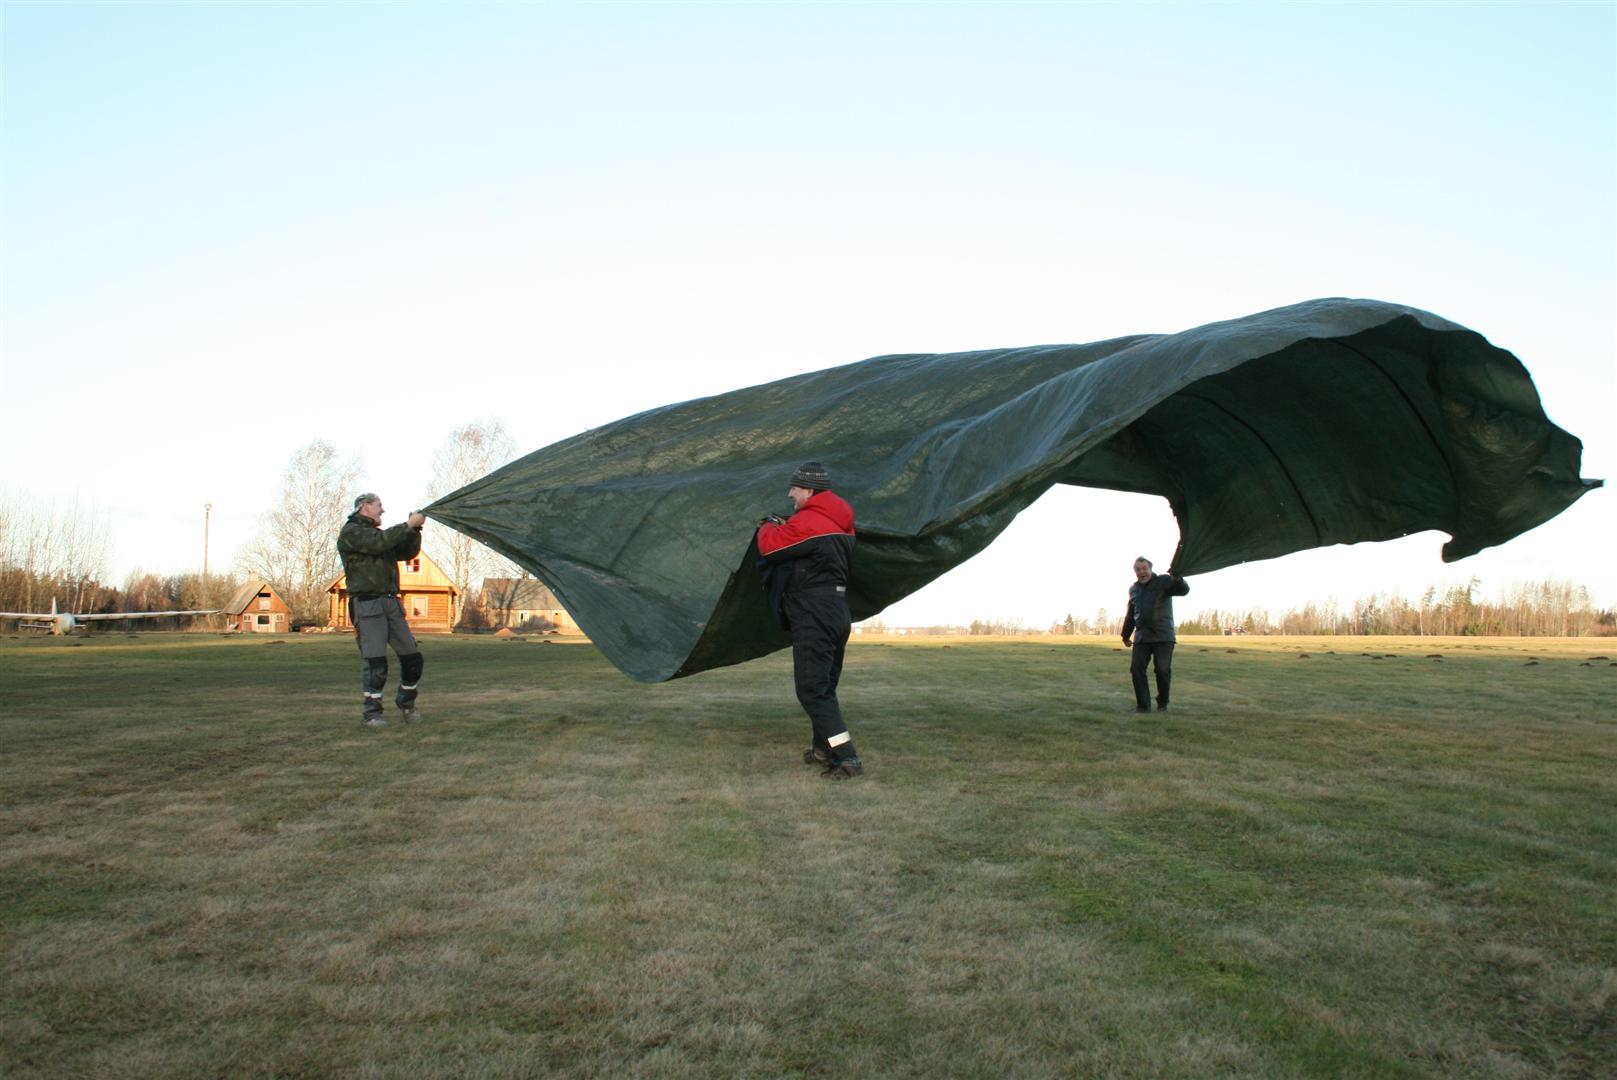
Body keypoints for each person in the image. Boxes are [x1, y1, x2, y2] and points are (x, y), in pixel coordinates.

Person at [756, 462, 864, 779]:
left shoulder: (812, 521)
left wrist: (767, 524)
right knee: (824, 687)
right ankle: (822, 750)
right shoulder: (843, 524)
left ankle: (847, 759)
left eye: (794, 488)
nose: (790, 494)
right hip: (837, 610)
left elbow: (769, 545)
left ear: (809, 490)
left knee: (811, 690)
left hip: (813, 612)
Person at [337, 493, 428, 728]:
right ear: (365, 507)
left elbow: (406, 553)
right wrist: (407, 525)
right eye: (379, 506)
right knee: (376, 663)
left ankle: (406, 703)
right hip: (368, 605)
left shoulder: (379, 535)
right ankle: (372, 713)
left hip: (391, 603)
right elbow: (379, 544)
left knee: (413, 659)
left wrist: (414, 531)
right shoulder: (352, 532)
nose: (383, 510)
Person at [1121, 556, 1190, 713]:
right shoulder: (1133, 589)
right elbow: (1131, 614)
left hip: (1163, 636)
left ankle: (1162, 702)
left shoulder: (1165, 581)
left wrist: (1178, 579)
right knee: (1136, 669)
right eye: (1138, 570)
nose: (1141, 572)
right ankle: (1143, 706)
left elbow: (1183, 591)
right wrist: (1125, 635)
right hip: (1142, 637)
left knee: (1162, 669)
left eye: (1144, 568)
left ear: (1150, 569)